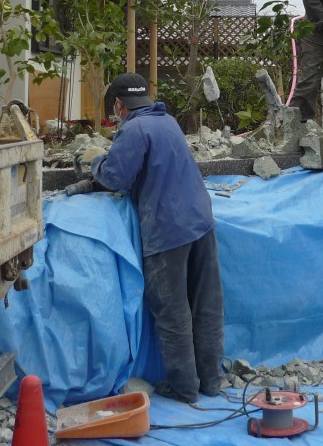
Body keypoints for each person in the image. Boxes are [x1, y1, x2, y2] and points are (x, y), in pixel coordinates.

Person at [69, 72, 225, 403]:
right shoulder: (166, 120)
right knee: (206, 304)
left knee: (173, 312)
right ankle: (211, 381)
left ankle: (185, 388)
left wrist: (95, 159)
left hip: (168, 227)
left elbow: (115, 177)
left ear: (119, 105)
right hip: (201, 219)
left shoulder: (133, 129)